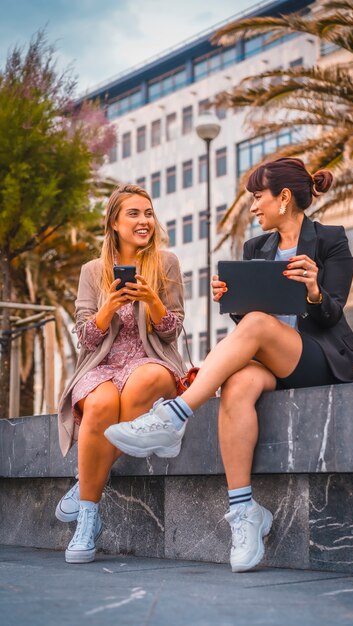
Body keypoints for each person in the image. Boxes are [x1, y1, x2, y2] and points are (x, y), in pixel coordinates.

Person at [104, 158, 353, 573]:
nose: (253, 208)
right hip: (270, 359)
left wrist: (314, 289)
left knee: (258, 327)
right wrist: (232, 299)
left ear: (283, 197)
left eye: (257, 198)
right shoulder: (255, 248)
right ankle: (244, 512)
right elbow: (252, 324)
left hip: (319, 358)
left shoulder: (330, 240)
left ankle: (176, 414)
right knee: (239, 383)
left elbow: (331, 313)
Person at [56, 183, 187, 564]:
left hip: (153, 359)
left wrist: (153, 300)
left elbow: (172, 329)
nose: (144, 220)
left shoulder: (167, 264)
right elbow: (85, 336)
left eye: (148, 213)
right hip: (103, 365)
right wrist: (106, 308)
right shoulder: (93, 272)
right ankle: (90, 520)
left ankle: (85, 484)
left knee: (140, 384)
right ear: (114, 222)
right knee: (98, 404)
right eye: (134, 213)